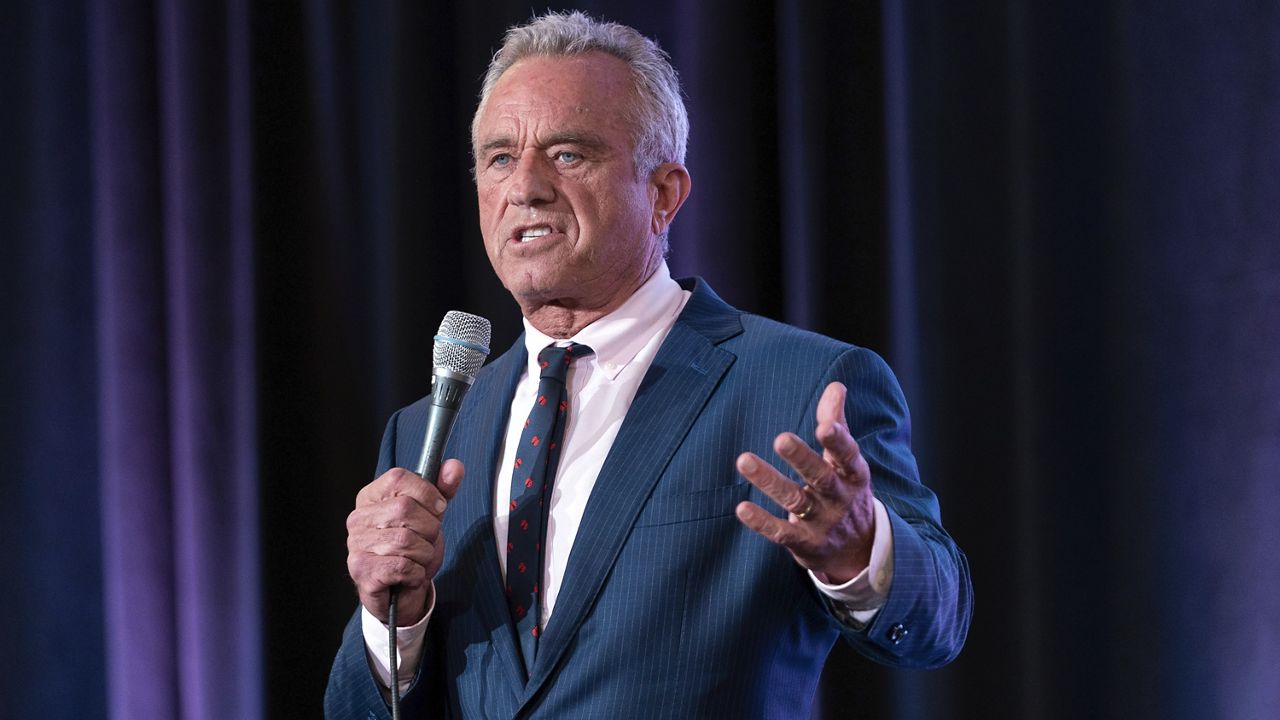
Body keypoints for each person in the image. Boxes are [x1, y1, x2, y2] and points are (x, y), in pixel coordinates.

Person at [326, 11, 971, 719]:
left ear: (663, 193)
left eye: (568, 154)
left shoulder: (801, 388)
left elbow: (940, 619)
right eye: (500, 157)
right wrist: (397, 617)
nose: (526, 186)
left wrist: (860, 553)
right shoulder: (427, 432)